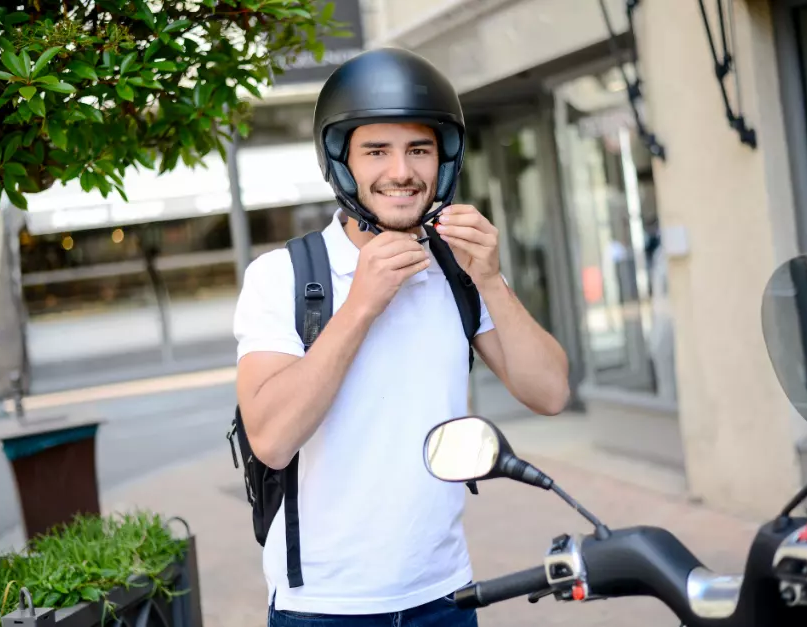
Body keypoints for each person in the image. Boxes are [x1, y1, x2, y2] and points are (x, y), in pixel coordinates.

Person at [233, 47, 570, 627]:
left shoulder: (461, 270)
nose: (401, 172)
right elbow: (270, 440)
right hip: (322, 609)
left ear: (444, 159)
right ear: (342, 162)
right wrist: (361, 305)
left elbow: (550, 393)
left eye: (419, 149)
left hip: (446, 596)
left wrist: (489, 278)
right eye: (376, 151)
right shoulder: (283, 276)